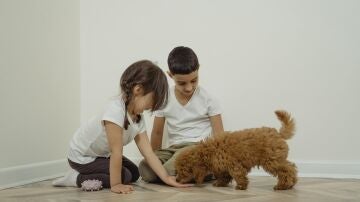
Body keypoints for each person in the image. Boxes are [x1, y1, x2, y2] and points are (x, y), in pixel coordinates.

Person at [52, 60, 191, 194]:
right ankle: (76, 178)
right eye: (153, 100)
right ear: (138, 90)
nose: (151, 106)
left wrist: (165, 177)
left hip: (101, 155)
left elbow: (148, 152)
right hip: (82, 156)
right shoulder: (115, 111)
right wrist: (116, 184)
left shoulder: (138, 117)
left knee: (135, 173)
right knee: (124, 176)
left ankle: (93, 173)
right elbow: (116, 152)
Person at [139, 46, 224, 182]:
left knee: (171, 166)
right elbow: (157, 133)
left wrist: (220, 164)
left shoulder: (209, 99)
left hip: (198, 147)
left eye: (194, 80)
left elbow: (220, 136)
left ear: (198, 70)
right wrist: (155, 159)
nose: (189, 87)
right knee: (145, 168)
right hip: (173, 149)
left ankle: (199, 170)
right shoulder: (165, 98)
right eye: (182, 83)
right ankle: (190, 173)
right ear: (170, 75)